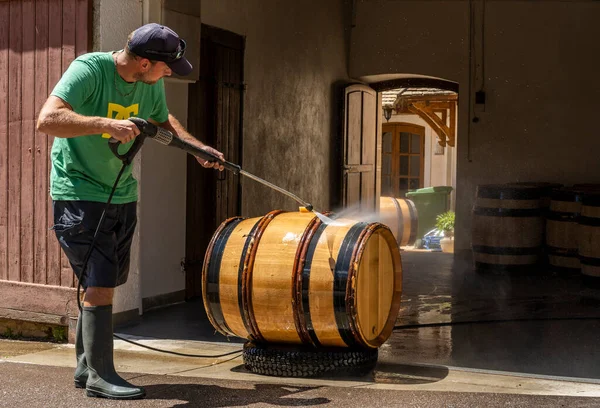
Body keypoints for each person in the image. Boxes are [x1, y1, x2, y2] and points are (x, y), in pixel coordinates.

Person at [36, 23, 224, 400]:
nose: (170, 72)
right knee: (101, 281)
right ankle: (100, 376)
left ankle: (85, 366)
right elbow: (47, 120)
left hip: (121, 193)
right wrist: (106, 124)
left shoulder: (150, 82)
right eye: (166, 66)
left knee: (102, 282)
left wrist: (197, 150)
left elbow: (161, 119)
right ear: (142, 62)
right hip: (79, 192)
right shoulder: (88, 70)